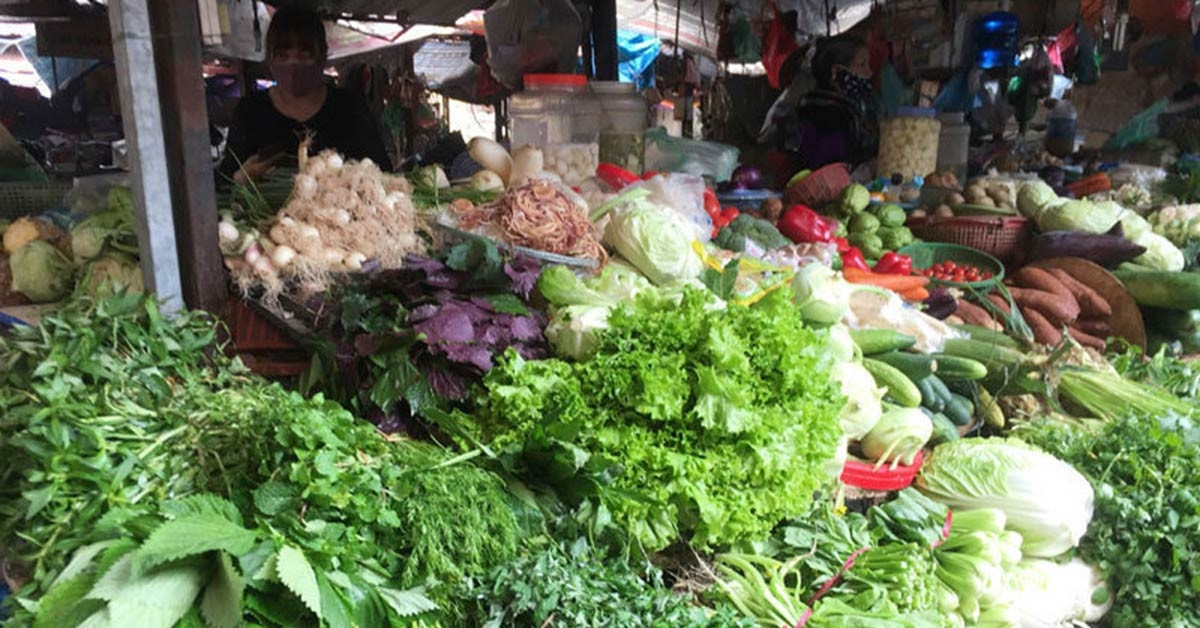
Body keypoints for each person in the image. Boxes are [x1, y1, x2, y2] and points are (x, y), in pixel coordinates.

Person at [218, 7, 392, 183]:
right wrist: (240, 177)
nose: (293, 63)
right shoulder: (251, 112)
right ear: (270, 59)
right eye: (283, 56)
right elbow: (224, 182)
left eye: (304, 54)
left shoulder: (349, 109)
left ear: (322, 56)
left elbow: (383, 172)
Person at [765, 35, 878, 183]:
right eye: (862, 65)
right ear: (836, 71)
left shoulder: (813, 104)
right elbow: (828, 172)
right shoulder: (829, 115)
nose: (869, 73)